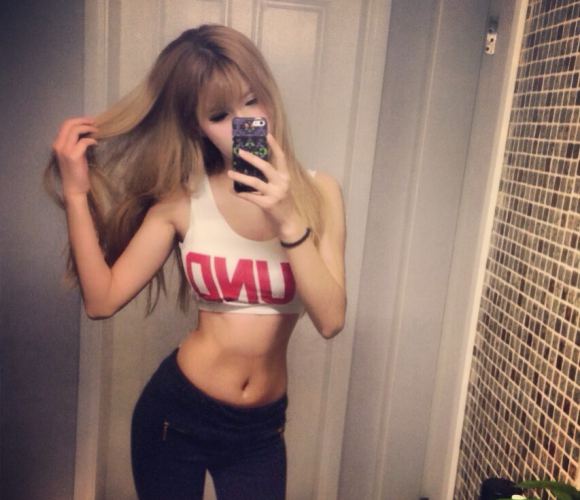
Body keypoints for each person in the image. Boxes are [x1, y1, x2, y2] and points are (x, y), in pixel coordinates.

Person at [47, 24, 346, 500]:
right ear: (197, 126)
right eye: (219, 114)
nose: (245, 122)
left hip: (260, 432)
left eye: (252, 100)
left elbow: (331, 320)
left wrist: (289, 218)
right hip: (176, 418)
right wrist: (77, 194)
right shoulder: (184, 200)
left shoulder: (320, 193)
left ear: (269, 94)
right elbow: (101, 301)